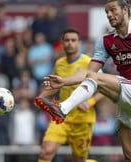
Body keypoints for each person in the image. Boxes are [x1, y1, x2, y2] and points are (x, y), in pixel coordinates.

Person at [34, 0, 131, 161]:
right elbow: (89, 71)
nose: (109, 14)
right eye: (106, 12)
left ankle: (63, 108)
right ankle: (62, 108)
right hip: (126, 100)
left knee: (95, 78)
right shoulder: (106, 41)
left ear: (125, 10)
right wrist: (63, 82)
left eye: (113, 10)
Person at [35, 28, 103, 162]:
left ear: (79, 43)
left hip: (82, 120)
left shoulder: (89, 63)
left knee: (78, 160)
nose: (70, 43)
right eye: (67, 40)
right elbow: (54, 86)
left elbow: (104, 87)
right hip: (61, 117)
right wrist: (41, 97)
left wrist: (90, 102)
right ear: (62, 43)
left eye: (73, 40)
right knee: (45, 152)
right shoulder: (59, 63)